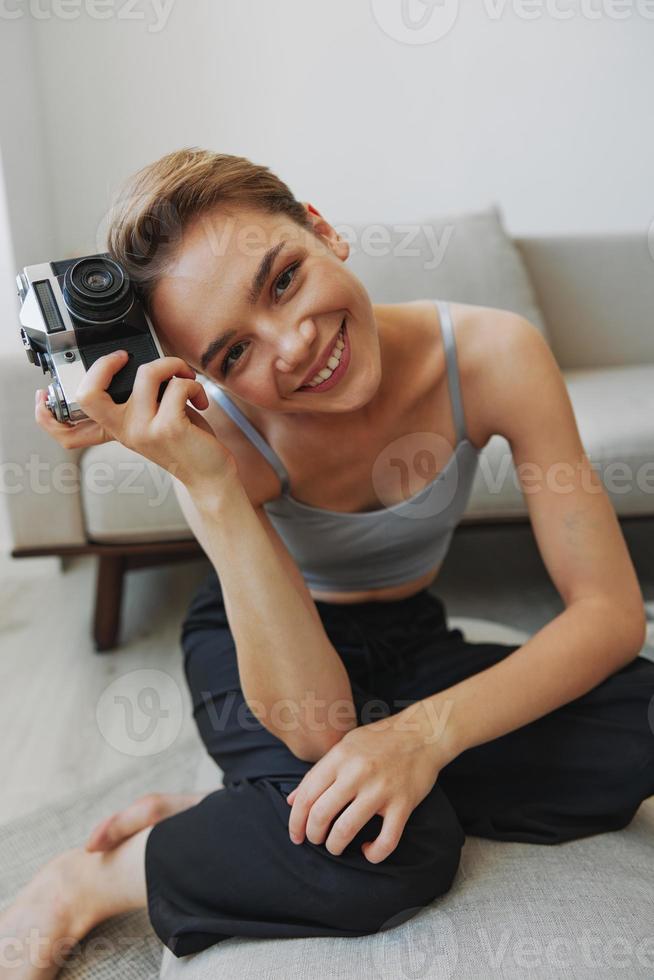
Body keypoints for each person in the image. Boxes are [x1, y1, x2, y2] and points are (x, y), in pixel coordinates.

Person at [3, 147, 653, 977]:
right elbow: (314, 724)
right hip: (269, 656)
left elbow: (607, 612)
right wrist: (205, 482)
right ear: (202, 376)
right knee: (390, 850)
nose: (293, 345)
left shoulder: (494, 354)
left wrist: (423, 737)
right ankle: (90, 878)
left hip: (412, 638)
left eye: (282, 280)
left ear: (322, 230)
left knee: (638, 719)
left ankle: (253, 810)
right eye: (232, 355)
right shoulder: (221, 443)